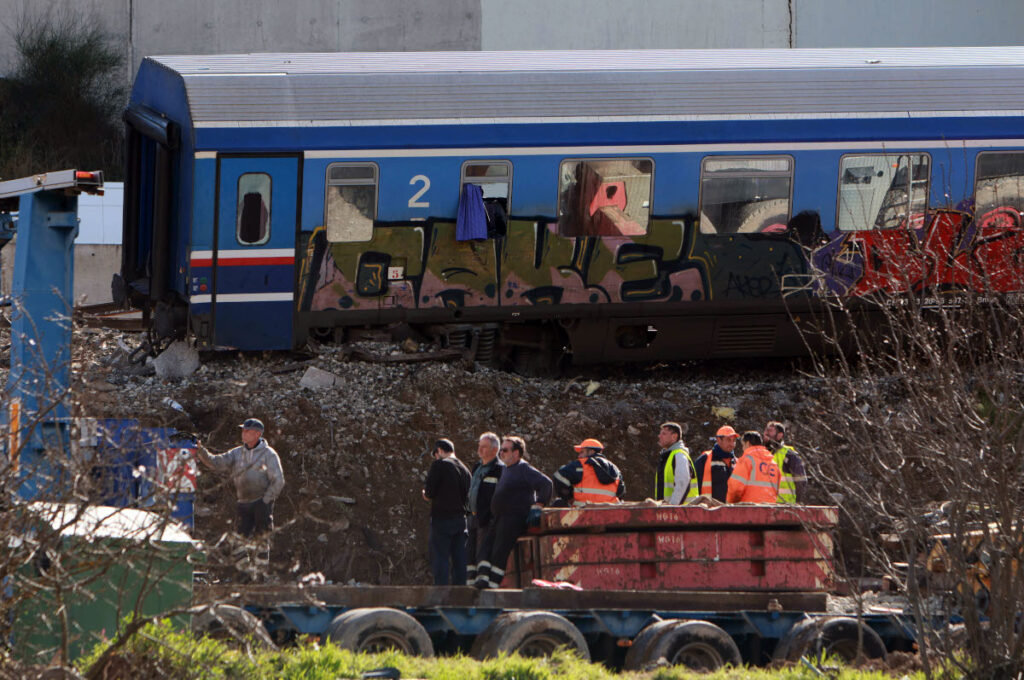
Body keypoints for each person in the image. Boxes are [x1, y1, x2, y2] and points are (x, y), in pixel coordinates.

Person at [196, 417, 285, 581]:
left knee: (262, 541)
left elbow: (278, 480)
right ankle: (246, 575)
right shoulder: (237, 453)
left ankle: (260, 577)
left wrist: (266, 500)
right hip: (244, 503)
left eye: (247, 430)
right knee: (238, 542)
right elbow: (216, 462)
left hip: (261, 502)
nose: (243, 433)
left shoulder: (268, 454)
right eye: (243, 430)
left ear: (257, 434)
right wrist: (201, 451)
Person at [473, 436, 552, 589]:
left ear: (516, 453)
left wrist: (539, 505)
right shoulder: (506, 470)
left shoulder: (523, 468)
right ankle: (482, 580)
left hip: (513, 518)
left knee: (499, 551)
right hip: (499, 518)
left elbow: (546, 484)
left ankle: (492, 585)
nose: (501, 453)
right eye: (501, 449)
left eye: (505, 450)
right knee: (485, 548)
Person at [422, 438, 471, 586]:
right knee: (459, 559)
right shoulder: (465, 470)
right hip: (461, 520)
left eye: (436, 454)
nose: (436, 457)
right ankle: (460, 594)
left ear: (440, 451)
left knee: (440, 558)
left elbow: (429, 493)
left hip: (442, 519)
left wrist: (424, 493)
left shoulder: (440, 465)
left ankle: (441, 595)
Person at [466, 432, 503, 585]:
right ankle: (470, 581)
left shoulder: (499, 469)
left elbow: (499, 496)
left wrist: (492, 515)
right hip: (472, 516)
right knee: (470, 551)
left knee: (483, 550)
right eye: (479, 446)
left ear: (494, 450)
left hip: (487, 517)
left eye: (484, 447)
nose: (479, 450)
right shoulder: (477, 467)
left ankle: (483, 579)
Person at [552, 438, 626, 506]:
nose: (579, 456)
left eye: (582, 452)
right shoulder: (615, 469)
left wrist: (569, 498)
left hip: (582, 510)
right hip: (609, 511)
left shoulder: (580, 464)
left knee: (558, 503)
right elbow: (621, 491)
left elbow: (558, 477)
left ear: (591, 452)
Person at [727, 431, 781, 503]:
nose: (743, 448)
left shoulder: (746, 461)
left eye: (743, 445)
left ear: (747, 443)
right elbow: (776, 491)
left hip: (748, 509)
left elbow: (735, 488)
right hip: (769, 510)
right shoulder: (773, 464)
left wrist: (730, 503)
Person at [763, 421, 807, 504]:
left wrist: (798, 503)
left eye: (770, 431)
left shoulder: (789, 454)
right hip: (766, 505)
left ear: (780, 435)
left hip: (785, 506)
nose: (765, 433)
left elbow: (801, 481)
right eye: (766, 430)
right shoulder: (762, 453)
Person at [692, 425, 739, 502]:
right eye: (728, 440)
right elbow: (694, 486)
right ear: (718, 440)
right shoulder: (705, 459)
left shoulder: (737, 462)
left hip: (731, 510)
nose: (732, 444)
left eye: (734, 440)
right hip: (710, 510)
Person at [654, 422, 697, 504]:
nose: (659, 436)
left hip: (681, 513)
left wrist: (672, 507)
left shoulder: (679, 455)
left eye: (664, 434)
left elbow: (682, 483)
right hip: (669, 512)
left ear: (674, 437)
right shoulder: (668, 456)